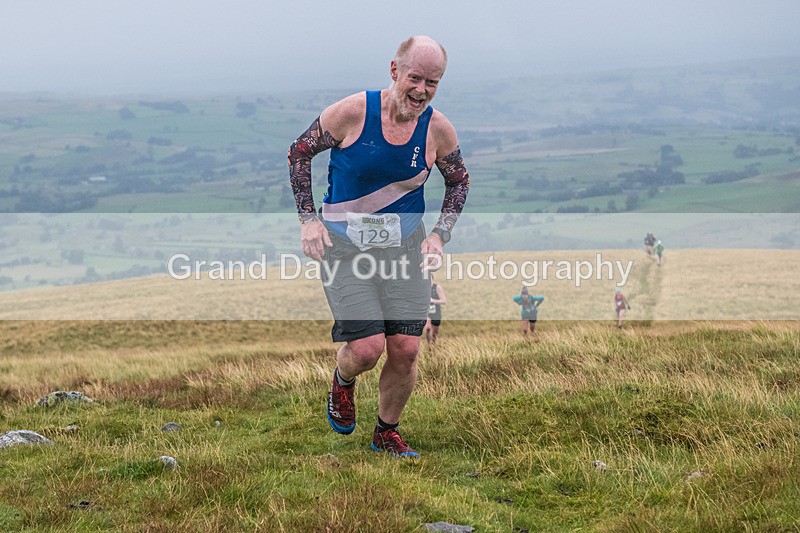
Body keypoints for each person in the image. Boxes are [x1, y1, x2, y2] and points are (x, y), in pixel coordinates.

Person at [287, 36, 470, 459]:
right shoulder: (353, 112)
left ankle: (386, 433)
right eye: (415, 78)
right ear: (394, 71)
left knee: (406, 350)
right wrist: (308, 220)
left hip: (405, 251)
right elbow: (299, 153)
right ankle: (343, 379)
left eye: (433, 82)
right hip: (345, 250)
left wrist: (440, 234)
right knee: (367, 349)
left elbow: (459, 181)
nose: (421, 90)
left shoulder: (437, 129)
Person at [423, 274, 446, 345]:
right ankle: (428, 344)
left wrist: (433, 300)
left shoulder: (437, 287)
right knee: (428, 328)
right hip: (427, 312)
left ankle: (432, 345)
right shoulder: (422, 288)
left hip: (436, 313)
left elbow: (444, 300)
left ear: (432, 279)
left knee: (434, 333)